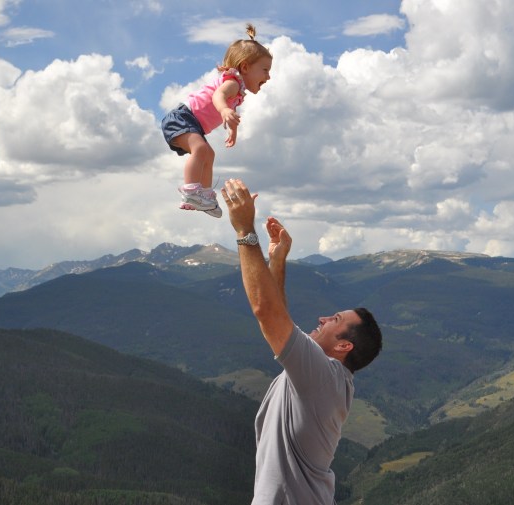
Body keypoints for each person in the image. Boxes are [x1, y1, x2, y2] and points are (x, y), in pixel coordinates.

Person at [221, 178, 383, 504]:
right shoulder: (326, 376)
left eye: (334, 321)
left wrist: (244, 231)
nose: (323, 318)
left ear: (343, 346)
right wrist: (277, 262)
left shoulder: (321, 375)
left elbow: (266, 311)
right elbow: (281, 319)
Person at [161, 24, 273, 218]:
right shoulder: (232, 83)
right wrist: (224, 109)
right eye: (264, 70)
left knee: (209, 155)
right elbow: (217, 96)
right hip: (182, 118)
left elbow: (231, 113)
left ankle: (204, 195)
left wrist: (233, 130)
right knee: (201, 150)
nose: (268, 76)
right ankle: (190, 192)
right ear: (245, 67)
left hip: (193, 124)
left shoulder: (238, 92)